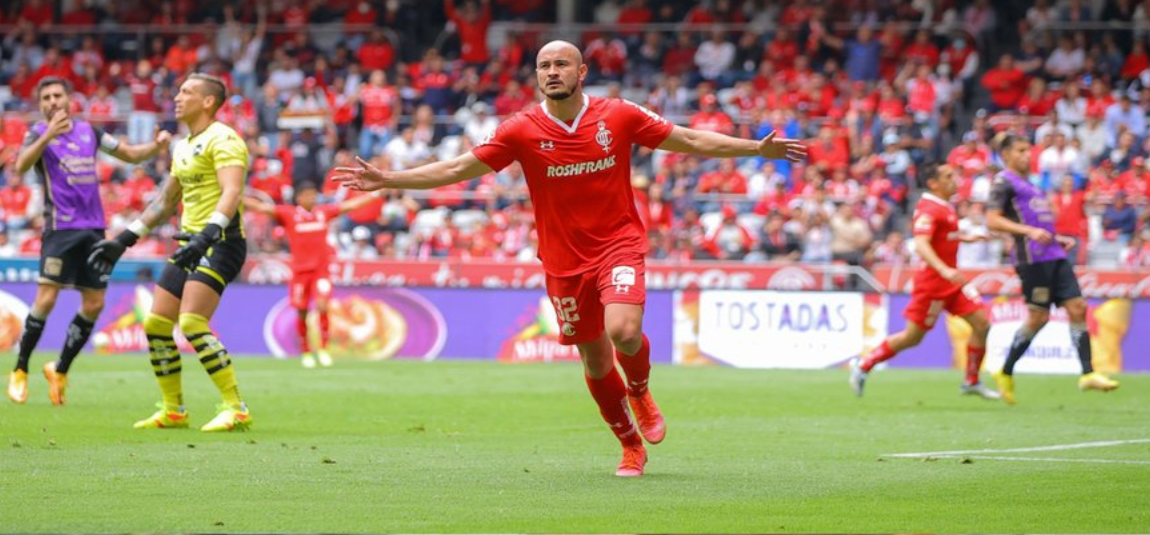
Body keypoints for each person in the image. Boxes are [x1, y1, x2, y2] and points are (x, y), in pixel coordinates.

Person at [331, 40, 807, 477]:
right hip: (563, 260)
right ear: (536, 76)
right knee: (597, 362)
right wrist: (388, 178)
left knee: (623, 330)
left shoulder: (617, 115)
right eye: (544, 66)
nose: (552, 72)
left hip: (618, 243)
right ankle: (629, 446)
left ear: (582, 70)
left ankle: (640, 391)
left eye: (561, 64)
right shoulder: (520, 129)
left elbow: (690, 139)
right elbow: (458, 168)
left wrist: (756, 150)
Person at [88, 73, 254, 432]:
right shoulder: (182, 145)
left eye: (186, 92)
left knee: (192, 323)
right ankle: (174, 410)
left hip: (220, 242)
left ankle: (236, 407)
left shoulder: (225, 139)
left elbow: (231, 193)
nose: (177, 97)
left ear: (208, 101)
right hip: (188, 242)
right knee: (157, 323)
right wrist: (124, 239)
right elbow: (166, 201)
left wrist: (208, 233)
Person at [8, 77, 171, 406]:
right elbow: (21, 165)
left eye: (58, 95)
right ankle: (20, 369)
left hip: (94, 229)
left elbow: (127, 153)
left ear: (69, 99)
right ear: (41, 105)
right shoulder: (38, 134)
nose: (53, 101)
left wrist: (156, 147)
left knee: (95, 304)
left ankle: (60, 369)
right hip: (60, 230)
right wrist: (49, 135)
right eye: (46, 97)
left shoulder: (89, 132)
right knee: (46, 298)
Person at [985, 132, 1120, 404]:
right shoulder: (1003, 182)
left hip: (1054, 254)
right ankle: (1006, 371)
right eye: (1021, 150)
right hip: (1032, 260)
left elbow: (1038, 223)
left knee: (1078, 307)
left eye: (1028, 150)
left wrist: (1054, 237)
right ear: (1007, 155)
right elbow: (992, 220)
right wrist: (1028, 231)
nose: (1027, 155)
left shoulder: (1032, 184)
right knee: (1038, 318)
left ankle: (1088, 373)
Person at [849, 163, 1000, 400]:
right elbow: (921, 243)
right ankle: (864, 364)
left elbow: (944, 236)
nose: (956, 180)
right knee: (912, 338)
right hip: (933, 285)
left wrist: (967, 238)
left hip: (951, 283)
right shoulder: (929, 208)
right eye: (949, 176)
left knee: (982, 323)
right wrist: (943, 269)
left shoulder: (945, 207)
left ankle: (971, 380)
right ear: (933, 183)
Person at [243, 181, 380, 368]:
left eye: (314, 194)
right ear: (299, 197)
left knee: (323, 306)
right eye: (308, 195)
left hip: (321, 271)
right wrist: (234, 196)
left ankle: (323, 349)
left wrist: (374, 195)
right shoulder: (289, 214)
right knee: (302, 311)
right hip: (300, 273)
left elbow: (349, 206)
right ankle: (306, 351)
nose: (312, 198)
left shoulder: (323, 212)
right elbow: (261, 206)